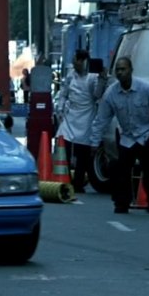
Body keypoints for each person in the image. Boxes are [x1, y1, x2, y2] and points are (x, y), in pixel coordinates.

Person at [89, 57, 149, 214]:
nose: (120, 72)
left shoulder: (146, 89)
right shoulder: (111, 93)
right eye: (118, 70)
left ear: (131, 70)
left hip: (147, 135)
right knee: (121, 172)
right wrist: (94, 143)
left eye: (123, 69)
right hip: (127, 137)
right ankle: (122, 204)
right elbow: (101, 119)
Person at [56, 50, 109, 192]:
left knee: (82, 152)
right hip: (70, 114)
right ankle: (64, 178)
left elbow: (97, 95)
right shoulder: (70, 75)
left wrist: (102, 79)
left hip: (86, 115)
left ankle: (78, 183)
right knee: (64, 145)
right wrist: (60, 110)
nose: (75, 63)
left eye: (77, 61)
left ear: (83, 61)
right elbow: (63, 93)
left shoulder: (92, 77)